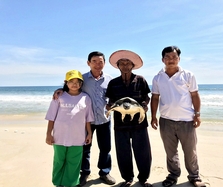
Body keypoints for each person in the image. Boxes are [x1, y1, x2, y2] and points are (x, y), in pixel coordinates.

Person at [53, 51, 116, 186]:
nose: (97, 64)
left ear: (104, 63)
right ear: (88, 63)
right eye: (94, 61)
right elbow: (71, 87)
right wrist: (59, 90)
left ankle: (104, 172)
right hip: (85, 121)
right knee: (85, 147)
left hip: (104, 119)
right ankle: (84, 172)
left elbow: (113, 97)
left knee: (105, 147)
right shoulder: (83, 78)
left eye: (100, 62)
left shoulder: (110, 79)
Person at [150, 46, 206, 187]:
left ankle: (194, 176)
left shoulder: (188, 75)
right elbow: (155, 98)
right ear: (163, 59)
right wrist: (153, 116)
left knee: (190, 151)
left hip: (186, 121)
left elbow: (195, 95)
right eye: (167, 57)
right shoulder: (158, 78)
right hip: (166, 121)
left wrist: (197, 114)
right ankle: (173, 175)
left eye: (174, 57)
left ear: (179, 59)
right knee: (170, 152)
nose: (171, 60)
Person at [105, 50, 153, 187]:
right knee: (123, 152)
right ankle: (127, 178)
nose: (125, 66)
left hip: (139, 123)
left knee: (143, 151)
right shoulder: (113, 83)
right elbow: (111, 100)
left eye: (128, 63)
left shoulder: (141, 80)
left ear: (132, 65)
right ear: (118, 66)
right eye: (122, 64)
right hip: (120, 124)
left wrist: (144, 106)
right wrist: (109, 107)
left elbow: (146, 97)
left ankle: (143, 178)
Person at [45, 70, 94, 187]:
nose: (74, 84)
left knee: (74, 162)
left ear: (81, 84)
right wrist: (48, 134)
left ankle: (70, 183)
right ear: (66, 82)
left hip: (78, 137)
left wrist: (89, 134)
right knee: (59, 161)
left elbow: (88, 118)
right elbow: (51, 117)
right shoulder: (59, 97)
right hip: (59, 136)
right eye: (71, 81)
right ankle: (57, 183)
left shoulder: (85, 98)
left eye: (78, 82)